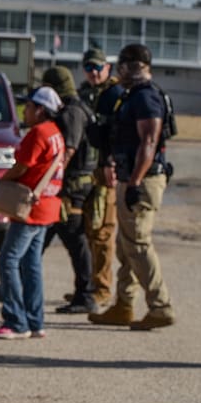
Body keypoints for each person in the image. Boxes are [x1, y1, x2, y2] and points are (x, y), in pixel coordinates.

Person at [88, 44, 175, 330]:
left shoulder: (147, 98)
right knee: (126, 245)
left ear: (134, 65)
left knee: (138, 242)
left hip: (143, 179)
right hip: (131, 176)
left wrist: (136, 181)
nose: (120, 71)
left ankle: (160, 307)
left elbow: (149, 141)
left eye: (123, 65)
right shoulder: (132, 97)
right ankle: (124, 305)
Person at [0, 87, 65, 339]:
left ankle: (16, 320)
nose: (25, 110)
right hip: (47, 205)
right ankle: (35, 320)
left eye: (29, 106)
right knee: (31, 264)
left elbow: (22, 166)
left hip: (30, 207)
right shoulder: (56, 133)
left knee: (8, 260)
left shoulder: (39, 133)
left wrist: (0, 182)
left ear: (40, 109)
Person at [45, 66, 99, 314]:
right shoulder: (77, 108)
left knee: (75, 240)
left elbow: (68, 150)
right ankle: (12, 285)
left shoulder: (72, 113)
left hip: (71, 188)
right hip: (71, 185)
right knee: (39, 236)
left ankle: (86, 294)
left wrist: (50, 180)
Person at [81, 48, 123, 308]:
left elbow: (119, 133)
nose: (93, 72)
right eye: (89, 67)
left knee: (103, 233)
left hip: (106, 171)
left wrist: (111, 163)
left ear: (108, 68)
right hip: (87, 171)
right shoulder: (84, 93)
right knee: (86, 231)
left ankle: (103, 288)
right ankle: (88, 286)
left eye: (98, 67)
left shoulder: (115, 95)